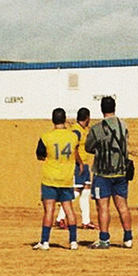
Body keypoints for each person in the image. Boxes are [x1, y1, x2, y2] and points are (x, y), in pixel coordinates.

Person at [84, 96, 133, 249]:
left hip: (103, 173)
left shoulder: (97, 128)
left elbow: (88, 147)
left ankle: (104, 239)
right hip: (121, 172)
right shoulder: (123, 125)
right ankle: (128, 237)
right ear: (114, 107)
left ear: (101, 109)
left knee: (103, 207)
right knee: (123, 205)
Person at [33, 107, 79, 251]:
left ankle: (45, 242)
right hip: (66, 178)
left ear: (53, 120)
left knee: (49, 211)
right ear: (65, 119)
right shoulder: (73, 137)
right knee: (69, 209)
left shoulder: (46, 137)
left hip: (50, 178)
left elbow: (40, 155)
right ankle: (73, 241)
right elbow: (75, 151)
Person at [55, 107, 95, 230]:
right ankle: (60, 218)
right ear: (87, 118)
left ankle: (86, 221)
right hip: (79, 165)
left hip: (85, 163)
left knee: (86, 191)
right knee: (76, 192)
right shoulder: (76, 131)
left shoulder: (83, 130)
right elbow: (73, 148)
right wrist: (80, 163)